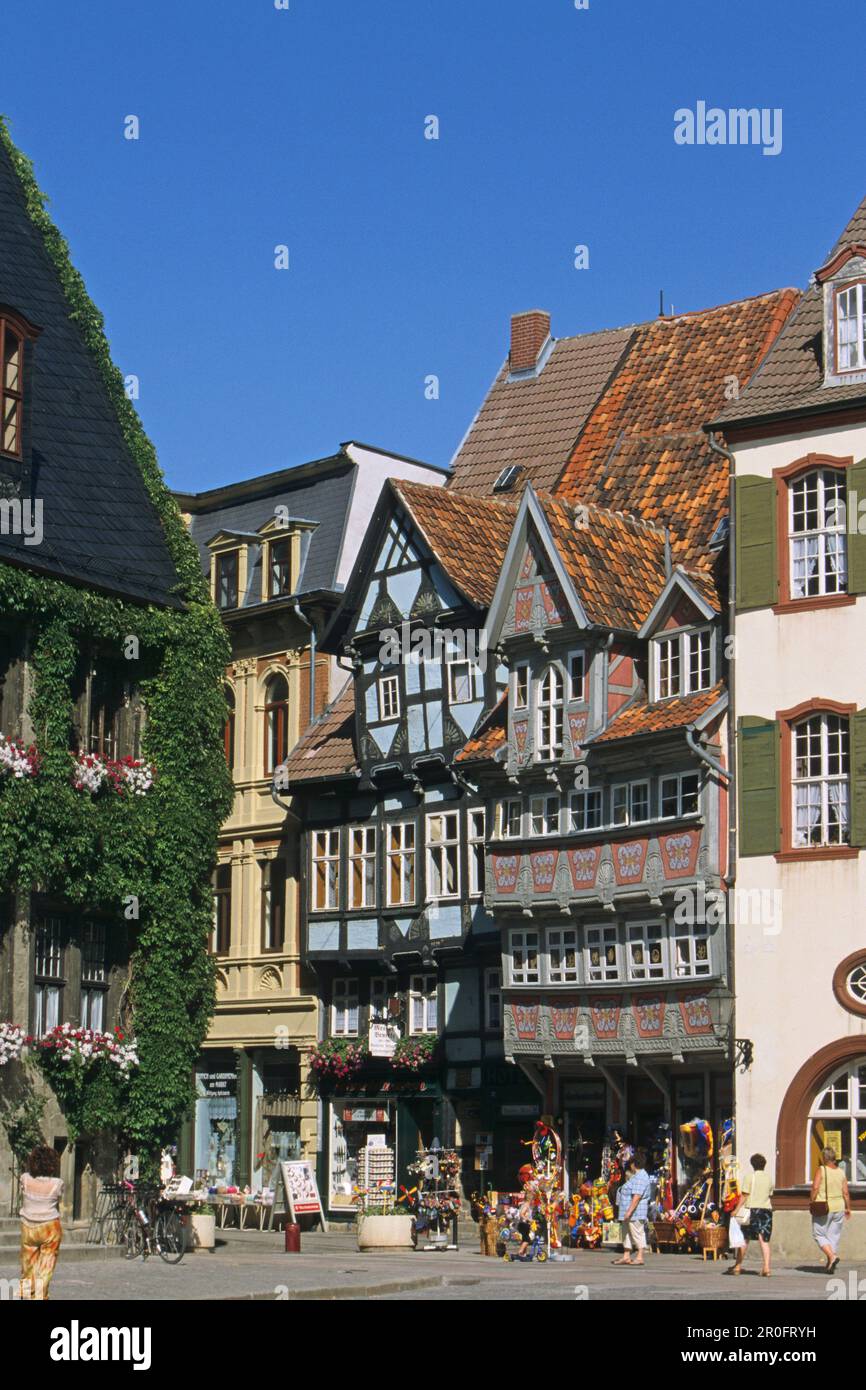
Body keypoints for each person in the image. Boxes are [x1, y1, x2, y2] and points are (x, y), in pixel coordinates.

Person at [19, 1145, 64, 1301]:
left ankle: (26, 1296)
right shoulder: (57, 1183)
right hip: (49, 1227)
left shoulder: (25, 1178)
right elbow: (59, 1200)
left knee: (27, 1267)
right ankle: (39, 1297)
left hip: (28, 1226)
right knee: (45, 1269)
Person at [728, 1152, 773, 1277]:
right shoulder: (769, 1178)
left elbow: (745, 1195)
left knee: (744, 1239)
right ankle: (767, 1268)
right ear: (764, 1165)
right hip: (766, 1211)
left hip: (752, 1211)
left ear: (753, 1165)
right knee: (764, 1239)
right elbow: (770, 1194)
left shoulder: (749, 1177)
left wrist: (736, 1210)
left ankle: (738, 1266)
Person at [810, 1147, 851, 1274]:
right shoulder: (841, 1172)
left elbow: (815, 1187)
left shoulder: (822, 1170)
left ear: (824, 1158)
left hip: (824, 1206)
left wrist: (811, 1200)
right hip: (839, 1206)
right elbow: (846, 1192)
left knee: (818, 1234)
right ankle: (830, 1264)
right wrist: (848, 1208)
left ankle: (832, 1257)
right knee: (833, 1236)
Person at [613, 1150, 651, 1266]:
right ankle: (626, 1256)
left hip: (635, 1212)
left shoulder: (641, 1177)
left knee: (637, 1232)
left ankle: (640, 1256)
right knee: (626, 1233)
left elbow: (637, 1196)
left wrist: (629, 1211)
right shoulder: (636, 1176)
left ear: (634, 1164)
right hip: (628, 1212)